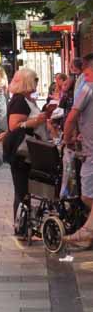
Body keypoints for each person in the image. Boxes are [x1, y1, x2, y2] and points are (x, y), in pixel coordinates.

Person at [1, 68, 50, 236]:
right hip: (21, 153)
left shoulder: (27, 99)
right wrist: (37, 120)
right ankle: (21, 228)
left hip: (28, 152)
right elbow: (14, 125)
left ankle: (24, 226)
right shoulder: (19, 101)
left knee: (24, 190)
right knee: (22, 190)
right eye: (34, 79)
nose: (37, 82)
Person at [62, 53, 93, 247]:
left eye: (86, 71)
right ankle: (87, 232)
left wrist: (67, 139)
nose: (84, 76)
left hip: (91, 151)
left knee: (87, 195)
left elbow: (72, 116)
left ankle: (86, 232)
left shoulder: (88, 88)